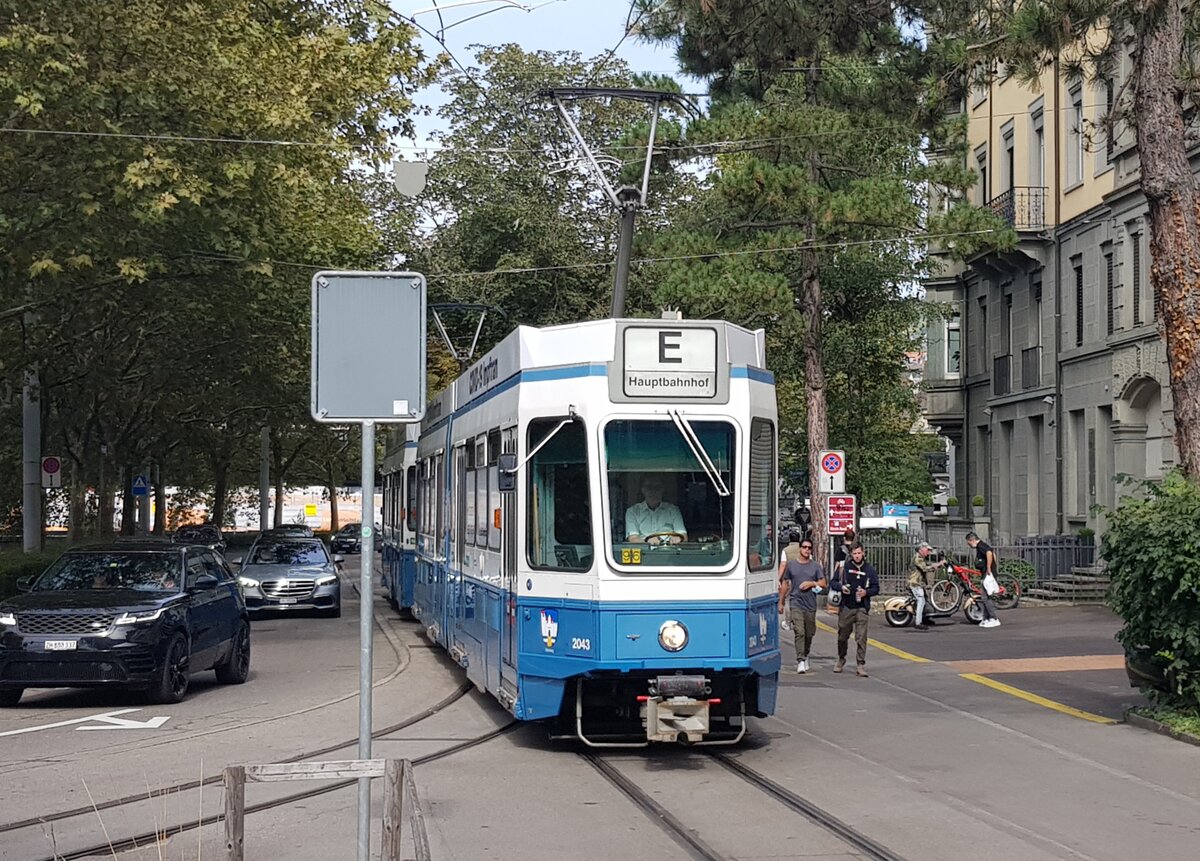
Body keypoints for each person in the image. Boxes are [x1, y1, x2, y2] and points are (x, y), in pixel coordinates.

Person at [828, 543, 879, 677]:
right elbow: (833, 582)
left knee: (861, 637)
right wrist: (841, 587)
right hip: (846, 606)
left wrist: (866, 592)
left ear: (863, 553)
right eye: (854, 553)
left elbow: (876, 588)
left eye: (859, 553)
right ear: (851, 554)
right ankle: (841, 658)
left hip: (862, 607)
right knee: (842, 635)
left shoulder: (869, 569)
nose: (857, 556)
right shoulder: (844, 568)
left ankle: (860, 664)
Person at [778, 537, 826, 673]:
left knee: (809, 633)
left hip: (810, 604)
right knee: (799, 631)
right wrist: (781, 602)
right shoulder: (791, 565)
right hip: (796, 602)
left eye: (809, 548)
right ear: (800, 548)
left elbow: (823, 583)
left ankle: (805, 654)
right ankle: (800, 660)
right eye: (804, 547)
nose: (806, 550)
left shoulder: (815, 566)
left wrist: (812, 583)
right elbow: (785, 583)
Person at [625, 476, 687, 545]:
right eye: (649, 487)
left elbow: (684, 536)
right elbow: (633, 539)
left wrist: (678, 538)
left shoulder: (673, 510)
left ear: (663, 489)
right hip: (644, 550)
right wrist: (647, 542)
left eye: (657, 487)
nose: (653, 491)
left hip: (670, 549)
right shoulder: (632, 511)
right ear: (642, 490)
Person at [965, 532, 1001, 628]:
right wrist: (993, 565)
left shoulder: (981, 546)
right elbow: (993, 553)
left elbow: (989, 552)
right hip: (986, 573)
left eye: (968, 543)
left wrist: (989, 567)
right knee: (984, 596)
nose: (969, 545)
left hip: (987, 574)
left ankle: (993, 618)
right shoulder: (981, 546)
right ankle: (986, 618)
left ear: (972, 540)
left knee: (985, 597)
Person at [908, 541, 941, 629]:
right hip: (915, 583)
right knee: (921, 601)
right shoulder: (918, 558)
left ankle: (925, 618)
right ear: (921, 549)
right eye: (927, 550)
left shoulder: (921, 558)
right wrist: (935, 565)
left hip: (919, 583)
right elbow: (924, 568)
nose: (928, 552)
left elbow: (927, 565)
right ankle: (918, 623)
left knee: (925, 601)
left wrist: (936, 565)